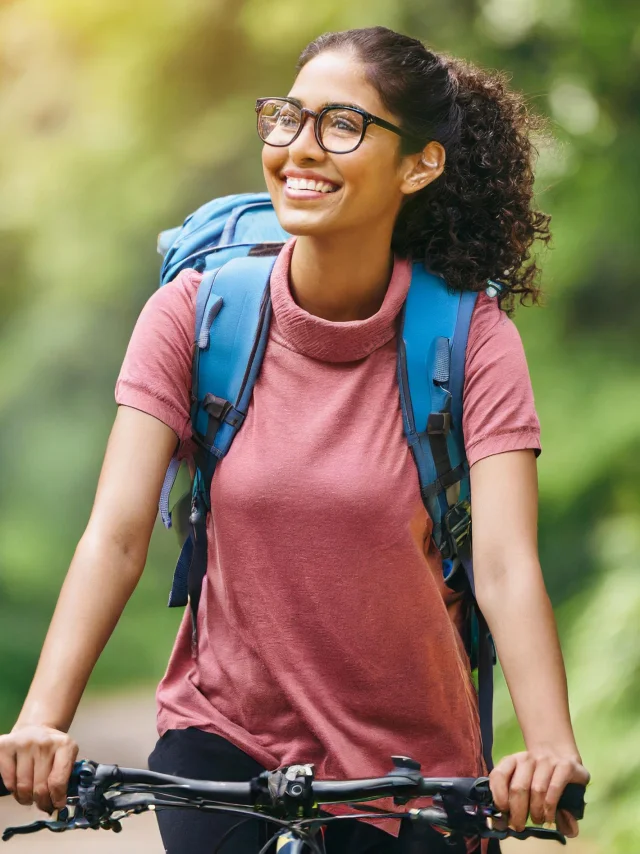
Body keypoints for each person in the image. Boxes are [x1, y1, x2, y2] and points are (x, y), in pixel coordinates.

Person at [0, 26, 589, 854]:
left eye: (342, 126)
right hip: (220, 748)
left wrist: (550, 744)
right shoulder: (197, 316)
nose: (301, 148)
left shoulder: (469, 340)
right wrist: (41, 722)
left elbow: (502, 563)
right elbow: (117, 534)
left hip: (411, 776)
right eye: (287, 118)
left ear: (419, 165)